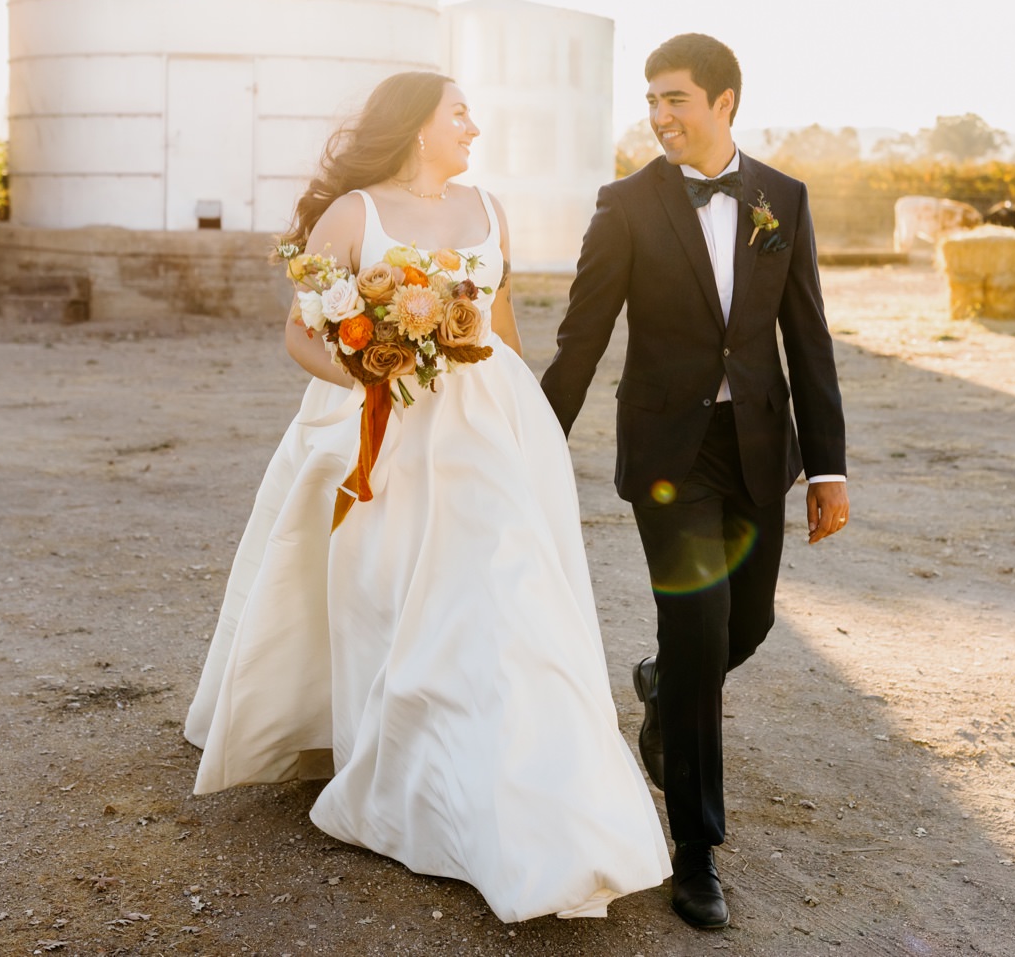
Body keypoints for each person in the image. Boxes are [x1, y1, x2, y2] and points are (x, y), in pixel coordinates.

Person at [184, 71, 669, 923]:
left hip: (485, 433)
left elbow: (506, 330)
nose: (474, 125)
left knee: (508, 601)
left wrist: (535, 430)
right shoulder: (353, 217)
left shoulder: (488, 208)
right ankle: (403, 761)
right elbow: (301, 332)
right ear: (418, 128)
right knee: (393, 602)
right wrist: (368, 376)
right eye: (459, 113)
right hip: (386, 433)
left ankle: (537, 800)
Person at [540, 33, 849, 930]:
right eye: (649, 99)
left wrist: (826, 464)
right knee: (702, 615)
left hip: (755, 445)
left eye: (675, 97)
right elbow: (581, 337)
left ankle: (662, 683)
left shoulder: (780, 198)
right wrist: (533, 437)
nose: (659, 114)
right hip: (670, 455)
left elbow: (809, 337)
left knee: (745, 622)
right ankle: (696, 850)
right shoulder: (626, 203)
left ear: (725, 102)